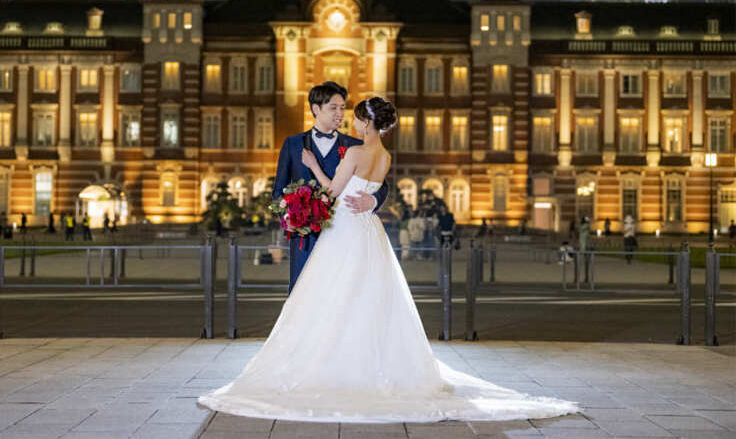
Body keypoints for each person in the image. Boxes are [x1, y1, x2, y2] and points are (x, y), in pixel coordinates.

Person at [198, 96, 578, 422]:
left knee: (331, 295)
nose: (351, 123)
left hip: (344, 230)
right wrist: (367, 198)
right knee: (370, 297)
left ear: (366, 122)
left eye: (355, 118)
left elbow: (331, 192)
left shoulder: (355, 152)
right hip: (369, 230)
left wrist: (312, 168)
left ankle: (332, 363)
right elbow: (371, 189)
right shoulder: (385, 155)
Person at [270, 81, 389, 293]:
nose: (340, 114)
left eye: (343, 108)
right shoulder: (293, 144)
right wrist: (289, 218)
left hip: (343, 235)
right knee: (301, 293)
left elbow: (382, 183)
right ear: (316, 109)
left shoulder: (355, 145)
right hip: (304, 238)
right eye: (333, 108)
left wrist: (374, 200)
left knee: (340, 294)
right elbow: (278, 190)